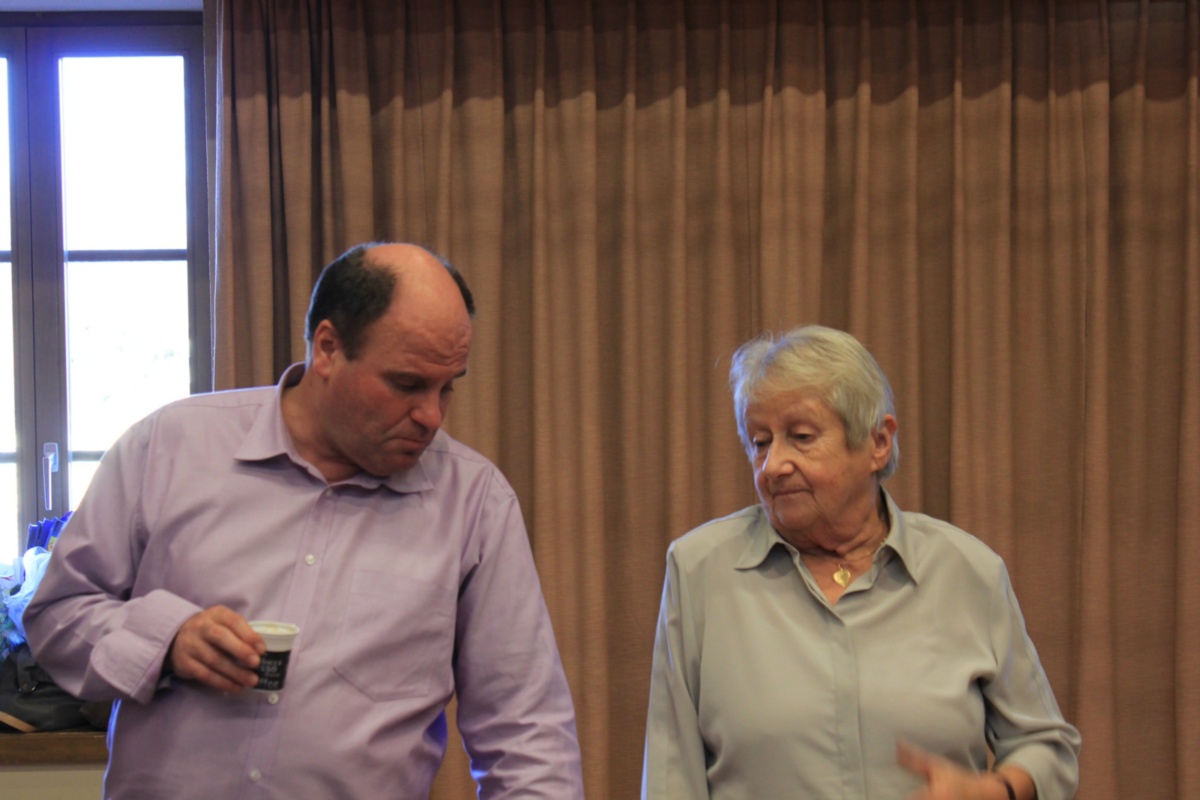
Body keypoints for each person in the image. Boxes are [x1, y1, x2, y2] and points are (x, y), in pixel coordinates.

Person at [26, 243, 584, 798]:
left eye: (448, 386)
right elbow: (57, 613)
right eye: (407, 384)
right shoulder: (169, 447)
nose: (432, 416)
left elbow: (527, 738)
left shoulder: (474, 503)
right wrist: (165, 641)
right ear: (328, 348)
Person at [641, 325, 1081, 799]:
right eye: (760, 441)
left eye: (801, 436)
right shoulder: (700, 571)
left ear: (878, 442)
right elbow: (670, 777)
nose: (772, 465)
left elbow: (1047, 748)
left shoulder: (967, 570)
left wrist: (997, 792)